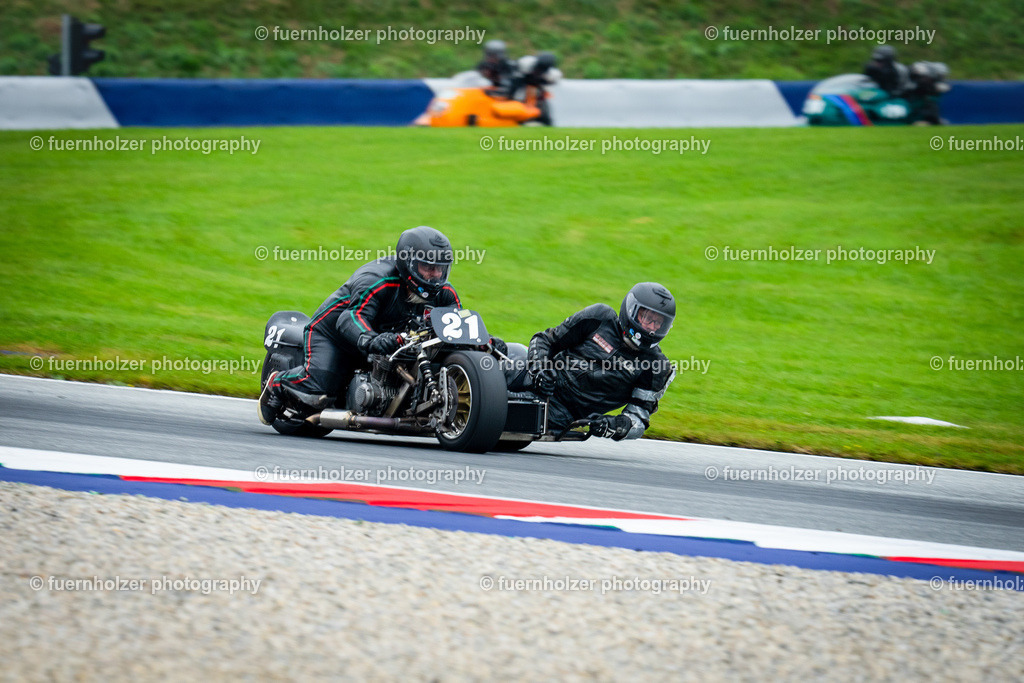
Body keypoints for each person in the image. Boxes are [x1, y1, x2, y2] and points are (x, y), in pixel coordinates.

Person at [259, 226, 461, 425]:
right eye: (427, 268)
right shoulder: (377, 280)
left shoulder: (444, 293)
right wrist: (371, 338)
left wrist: (483, 343)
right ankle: (277, 382)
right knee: (318, 391)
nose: (434, 275)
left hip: (386, 342)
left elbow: (454, 329)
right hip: (333, 335)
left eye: (440, 269)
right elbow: (350, 318)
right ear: (408, 263)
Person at [509, 282, 676, 440]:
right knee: (497, 362)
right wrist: (540, 368)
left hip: (560, 411)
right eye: (648, 318)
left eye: (659, 323)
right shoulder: (599, 317)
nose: (652, 328)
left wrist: (613, 425)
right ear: (631, 310)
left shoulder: (656, 366)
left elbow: (638, 419)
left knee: (502, 412)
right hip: (532, 376)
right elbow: (544, 340)